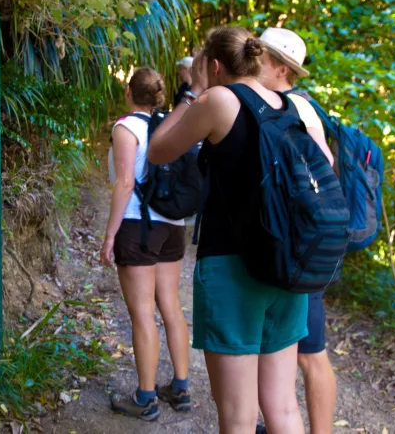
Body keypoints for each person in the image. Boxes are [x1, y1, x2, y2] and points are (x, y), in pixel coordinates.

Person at [147, 27, 327, 434]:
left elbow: (158, 149)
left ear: (213, 65)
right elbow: (325, 167)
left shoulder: (219, 99)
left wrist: (192, 89)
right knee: (282, 408)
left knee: (238, 418)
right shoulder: (293, 106)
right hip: (287, 267)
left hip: (233, 271)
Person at [253, 27, 336, 434]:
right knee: (294, 351)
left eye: (261, 56)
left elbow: (323, 172)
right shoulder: (295, 108)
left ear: (282, 68)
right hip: (302, 245)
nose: (253, 60)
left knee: (310, 353)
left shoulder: (296, 109)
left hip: (299, 247)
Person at [101, 67, 192, 421]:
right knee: (170, 305)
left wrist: (110, 235)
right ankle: (181, 388)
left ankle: (145, 398)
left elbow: (125, 184)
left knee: (142, 313)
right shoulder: (171, 126)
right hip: (173, 225)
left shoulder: (126, 128)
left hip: (139, 225)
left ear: (128, 92)